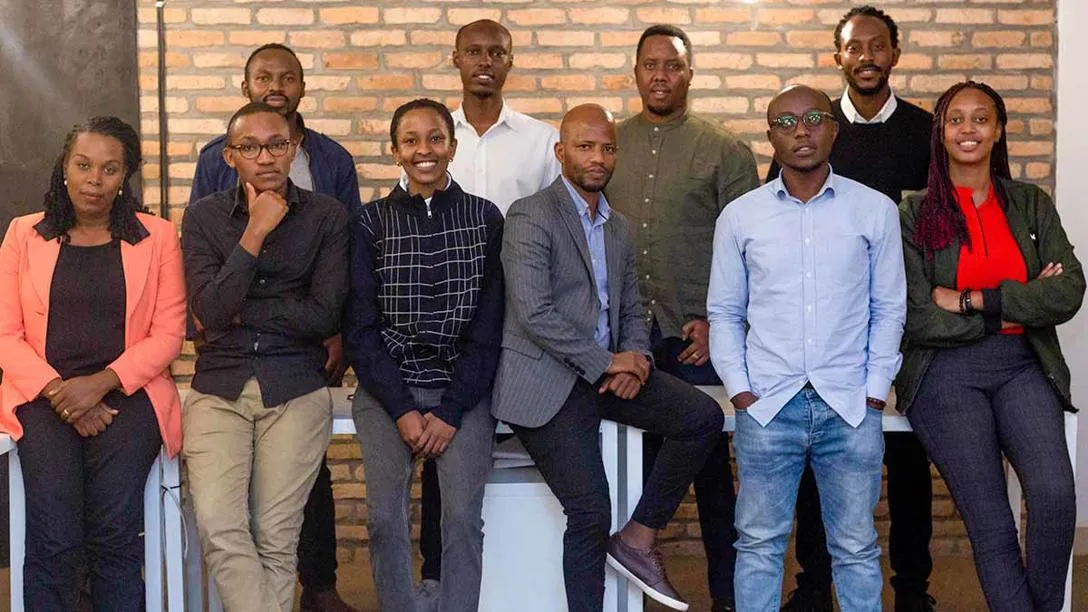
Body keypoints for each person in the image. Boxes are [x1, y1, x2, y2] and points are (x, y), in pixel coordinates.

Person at [493, 103, 723, 612]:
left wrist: (636, 357)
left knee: (702, 418)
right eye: (585, 146)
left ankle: (638, 539)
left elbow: (631, 308)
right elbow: (534, 312)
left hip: (607, 373)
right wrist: (605, 362)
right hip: (547, 381)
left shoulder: (618, 226)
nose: (598, 157)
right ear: (561, 152)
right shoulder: (530, 214)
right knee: (591, 509)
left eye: (607, 148)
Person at [708, 85, 905, 612]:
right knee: (758, 545)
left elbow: (889, 309)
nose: (802, 130)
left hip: (850, 406)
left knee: (857, 548)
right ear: (770, 136)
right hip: (769, 407)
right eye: (786, 122)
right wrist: (741, 391)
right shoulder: (740, 217)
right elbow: (724, 313)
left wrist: (874, 394)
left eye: (814, 118)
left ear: (833, 130)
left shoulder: (875, 210)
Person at [765, 8, 936, 611]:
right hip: (823, 334)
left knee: (909, 462)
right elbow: (777, 219)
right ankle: (815, 586)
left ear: (895, 52)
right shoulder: (808, 127)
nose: (866, 56)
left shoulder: (927, 132)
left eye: (877, 46)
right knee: (818, 459)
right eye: (853, 48)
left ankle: (912, 590)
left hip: (908, 326)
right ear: (837, 56)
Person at [896, 81, 1083, 612]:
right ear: (941, 131)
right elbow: (915, 315)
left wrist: (975, 300)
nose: (969, 129)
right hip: (943, 374)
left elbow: (1068, 288)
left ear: (999, 130)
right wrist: (1020, 304)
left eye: (981, 119)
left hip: (1024, 366)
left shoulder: (1029, 203)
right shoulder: (914, 214)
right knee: (991, 518)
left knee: (1053, 497)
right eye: (956, 119)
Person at [187, 42, 360, 612]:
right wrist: (255, 233)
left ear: (293, 149)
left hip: (295, 387)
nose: (265, 157)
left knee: (277, 536)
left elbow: (324, 314)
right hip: (220, 388)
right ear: (229, 156)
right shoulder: (204, 216)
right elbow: (208, 313)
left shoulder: (327, 216)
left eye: (276, 145)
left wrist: (239, 308)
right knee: (219, 526)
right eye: (250, 147)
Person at [0, 116, 186, 610]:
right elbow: (5, 335)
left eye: (109, 169)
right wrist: (65, 393)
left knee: (115, 537)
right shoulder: (23, 235)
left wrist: (101, 384)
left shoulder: (158, 236)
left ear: (125, 176)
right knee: (55, 540)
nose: (94, 180)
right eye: (83, 165)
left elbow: (169, 334)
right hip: (43, 400)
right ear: (65, 168)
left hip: (130, 397)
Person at [605, 25, 759, 612]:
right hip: (627, 340)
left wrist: (723, 321)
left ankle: (728, 598)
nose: (661, 75)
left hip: (696, 339)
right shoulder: (610, 144)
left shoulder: (724, 150)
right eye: (650, 65)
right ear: (636, 71)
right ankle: (631, 597)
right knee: (630, 473)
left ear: (690, 73)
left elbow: (750, 249)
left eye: (673, 65)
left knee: (712, 474)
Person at [415, 18, 561, 595]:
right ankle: (436, 575)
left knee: (519, 428)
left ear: (509, 61)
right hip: (443, 312)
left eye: (495, 52)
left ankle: (523, 578)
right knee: (441, 438)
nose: (484, 60)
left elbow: (557, 220)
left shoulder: (538, 139)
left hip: (522, 312)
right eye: (472, 51)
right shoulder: (431, 132)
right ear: (455, 58)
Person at [344, 98, 504, 612]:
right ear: (395, 152)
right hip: (389, 390)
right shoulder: (371, 222)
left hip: (463, 389)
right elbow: (361, 330)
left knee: (460, 517)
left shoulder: (484, 218)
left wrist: (451, 411)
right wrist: (403, 409)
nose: (424, 151)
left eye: (435, 138)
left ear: (452, 147)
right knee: (385, 518)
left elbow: (488, 327)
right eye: (410, 141)